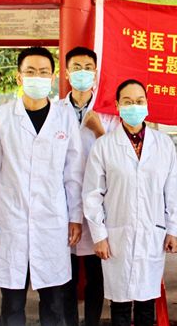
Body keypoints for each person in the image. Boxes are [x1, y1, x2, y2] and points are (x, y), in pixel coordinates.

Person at [0, 46, 85, 325]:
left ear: (53, 78)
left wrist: (75, 216)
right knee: (12, 304)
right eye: (31, 72)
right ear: (19, 77)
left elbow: (73, 173)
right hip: (11, 220)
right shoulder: (1, 118)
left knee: (54, 303)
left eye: (44, 72)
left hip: (52, 221)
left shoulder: (65, 118)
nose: (37, 77)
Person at [82, 79, 177, 326]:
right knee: (120, 304)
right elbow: (92, 194)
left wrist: (173, 230)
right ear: (117, 106)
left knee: (147, 304)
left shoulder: (163, 144)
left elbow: (172, 191)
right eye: (127, 102)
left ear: (147, 104)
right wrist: (99, 236)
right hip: (117, 235)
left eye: (139, 101)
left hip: (152, 233)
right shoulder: (104, 145)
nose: (134, 106)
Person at [60, 47, 118, 326]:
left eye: (88, 67)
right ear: (67, 73)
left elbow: (119, 158)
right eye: (76, 67)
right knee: (66, 273)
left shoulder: (109, 114)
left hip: (100, 201)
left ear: (95, 73)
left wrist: (99, 130)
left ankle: (92, 321)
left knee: (97, 272)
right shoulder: (55, 111)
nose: (82, 72)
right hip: (63, 201)